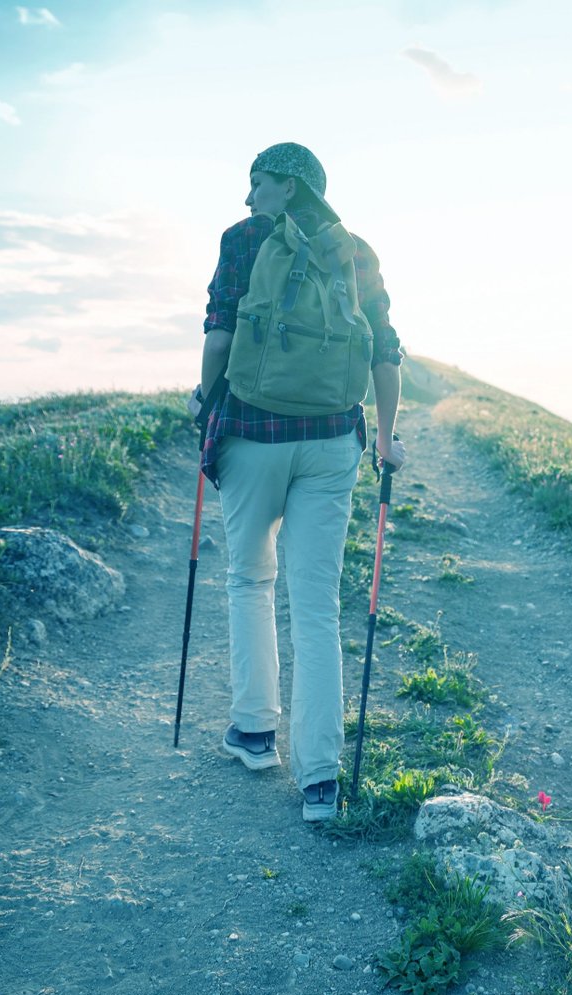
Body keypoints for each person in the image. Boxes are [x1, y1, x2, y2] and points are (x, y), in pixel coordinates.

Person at [191, 142, 407, 823]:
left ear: (285, 185)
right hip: (332, 440)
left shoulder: (245, 240)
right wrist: (389, 434)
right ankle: (320, 779)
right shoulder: (357, 249)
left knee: (251, 580)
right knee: (316, 606)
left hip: (254, 434)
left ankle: (254, 732)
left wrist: (203, 395)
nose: (248, 198)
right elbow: (386, 348)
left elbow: (221, 336)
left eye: (256, 183)